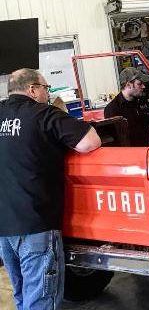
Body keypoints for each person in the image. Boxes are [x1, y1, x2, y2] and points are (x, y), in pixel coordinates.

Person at [0, 68, 102, 309]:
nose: (48, 93)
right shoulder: (44, 114)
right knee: (41, 300)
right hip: (36, 225)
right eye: (46, 88)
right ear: (32, 89)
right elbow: (91, 142)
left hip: (4, 227)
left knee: (23, 294)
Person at [104, 67, 149, 146]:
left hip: (144, 152)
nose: (143, 86)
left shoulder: (142, 101)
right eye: (139, 84)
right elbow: (112, 141)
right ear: (128, 85)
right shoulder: (112, 109)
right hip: (127, 155)